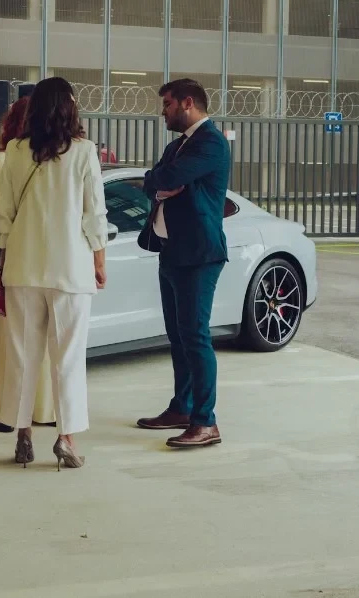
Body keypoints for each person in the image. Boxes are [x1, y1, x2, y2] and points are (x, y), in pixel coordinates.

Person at [0, 76, 108, 470]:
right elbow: (95, 214)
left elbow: (3, 215)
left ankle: (23, 435)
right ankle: (66, 439)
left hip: (22, 266)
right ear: (69, 107)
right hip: (70, 268)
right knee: (68, 357)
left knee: (24, 355)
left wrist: (5, 258)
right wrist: (99, 261)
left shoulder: (16, 150)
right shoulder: (83, 151)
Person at [136, 78, 231, 449]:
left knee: (195, 336)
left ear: (187, 103)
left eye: (167, 104)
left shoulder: (211, 142)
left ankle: (206, 422)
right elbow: (152, 181)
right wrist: (161, 185)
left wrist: (166, 182)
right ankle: (182, 408)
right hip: (171, 251)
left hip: (200, 254)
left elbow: (170, 177)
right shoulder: (177, 145)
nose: (163, 111)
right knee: (178, 337)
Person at [0, 97, 56, 433]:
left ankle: (40, 409)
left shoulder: (54, 158)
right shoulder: (3, 158)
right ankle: (3, 411)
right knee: (12, 336)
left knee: (41, 335)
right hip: (14, 255)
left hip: (43, 257)